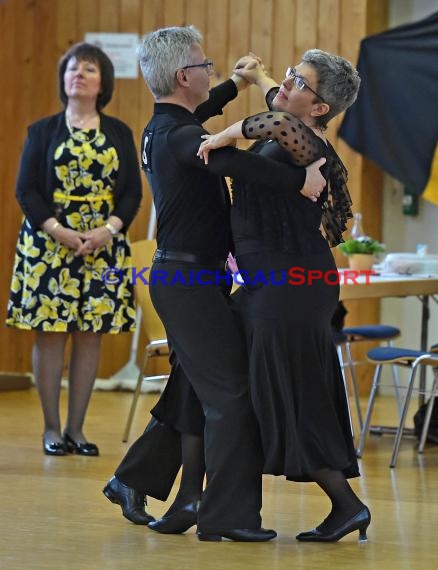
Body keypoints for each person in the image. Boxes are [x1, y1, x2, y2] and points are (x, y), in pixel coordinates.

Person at [102, 26, 326, 542]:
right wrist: (302, 180)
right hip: (187, 282)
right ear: (184, 76)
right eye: (204, 66)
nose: (209, 71)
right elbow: (237, 163)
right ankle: (230, 517)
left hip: (188, 278)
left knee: (193, 388)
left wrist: (233, 85)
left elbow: (199, 121)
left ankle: (136, 482)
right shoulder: (185, 140)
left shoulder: (164, 126)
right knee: (231, 396)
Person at [197, 49, 370, 543]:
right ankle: (196, 491)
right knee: (273, 390)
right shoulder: (300, 122)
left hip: (290, 285)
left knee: (291, 397)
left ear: (320, 109)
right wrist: (259, 77)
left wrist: (222, 136)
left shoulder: (304, 141)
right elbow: (279, 102)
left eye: (301, 82)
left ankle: (347, 505)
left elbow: (274, 119)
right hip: (280, 283)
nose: (288, 84)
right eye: (291, 75)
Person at [6, 43, 142, 457]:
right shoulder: (42, 131)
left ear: (103, 83)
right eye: (71, 68)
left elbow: (133, 194)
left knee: (90, 337)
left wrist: (107, 230)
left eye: (88, 69)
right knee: (50, 335)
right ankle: (51, 429)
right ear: (63, 80)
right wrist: (58, 230)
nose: (77, 74)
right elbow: (26, 191)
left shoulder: (119, 132)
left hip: (103, 247)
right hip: (48, 247)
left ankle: (77, 430)